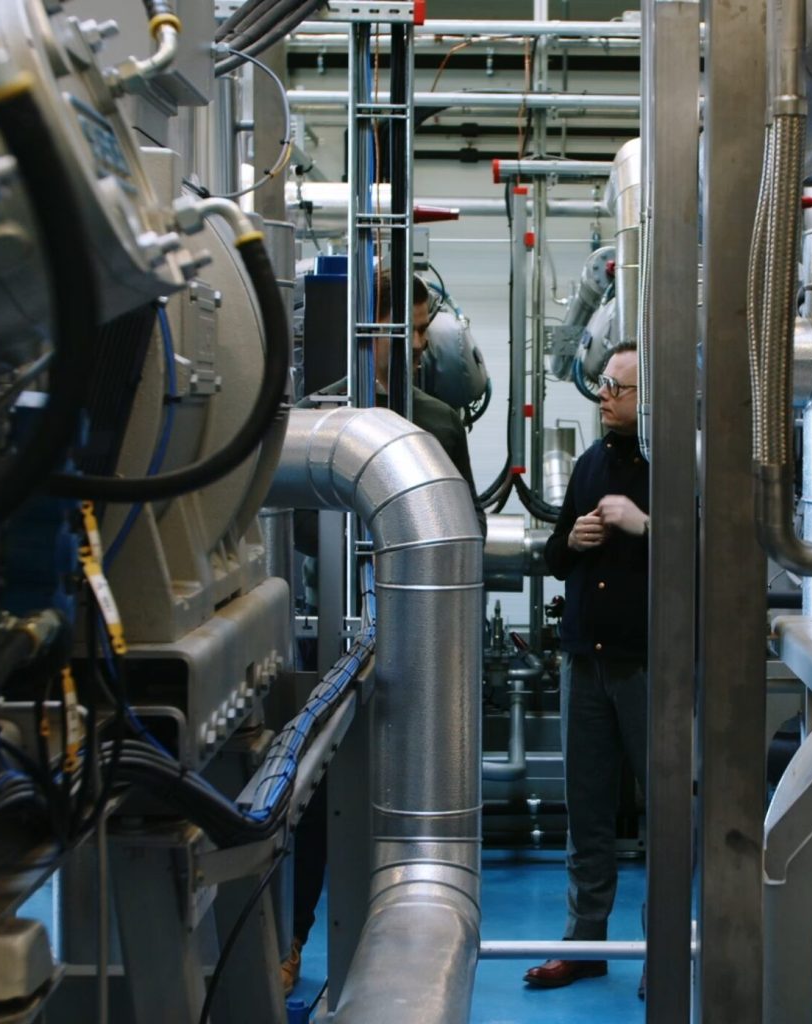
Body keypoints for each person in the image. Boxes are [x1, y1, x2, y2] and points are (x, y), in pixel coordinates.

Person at [284, 268, 479, 995]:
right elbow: (288, 527)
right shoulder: (313, 425)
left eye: (425, 333)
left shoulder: (434, 423)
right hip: (317, 632)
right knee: (300, 793)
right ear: (368, 333)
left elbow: (461, 537)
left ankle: (389, 943)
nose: (420, 347)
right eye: (411, 332)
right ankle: (292, 941)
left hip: (411, 648)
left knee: (402, 805)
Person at [525, 342, 650, 998]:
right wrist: (569, 541)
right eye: (603, 385)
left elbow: (710, 559)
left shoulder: (676, 468)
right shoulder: (590, 464)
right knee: (588, 810)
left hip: (649, 669)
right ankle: (585, 943)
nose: (604, 396)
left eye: (618, 388)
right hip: (586, 663)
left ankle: (665, 949)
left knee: (665, 813)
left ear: (648, 397)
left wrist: (646, 525)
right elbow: (552, 557)